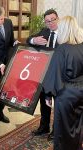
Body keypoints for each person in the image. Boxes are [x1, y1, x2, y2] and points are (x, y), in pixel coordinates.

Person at [43, 16, 83, 150]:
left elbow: (54, 74)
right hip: (81, 92)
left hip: (66, 94)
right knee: (78, 125)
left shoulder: (62, 49)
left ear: (63, 29)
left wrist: (48, 95)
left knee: (62, 129)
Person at [26, 9, 59, 138]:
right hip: (44, 75)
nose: (50, 23)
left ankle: (57, 131)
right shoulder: (44, 32)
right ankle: (44, 127)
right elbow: (29, 39)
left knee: (59, 105)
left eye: (53, 20)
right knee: (45, 102)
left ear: (58, 18)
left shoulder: (65, 32)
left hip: (58, 76)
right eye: (47, 21)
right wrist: (34, 41)